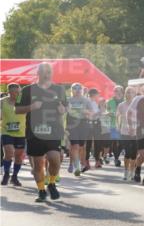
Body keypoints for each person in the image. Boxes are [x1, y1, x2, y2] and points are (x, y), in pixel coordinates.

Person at [15, 63, 67, 202]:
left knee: (55, 160)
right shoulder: (27, 90)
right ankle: (41, 190)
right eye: (43, 71)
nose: (46, 74)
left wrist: (63, 110)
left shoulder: (59, 89)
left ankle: (51, 183)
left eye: (49, 71)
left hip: (54, 131)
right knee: (38, 165)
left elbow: (65, 108)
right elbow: (17, 110)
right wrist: (31, 107)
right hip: (34, 132)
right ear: (38, 73)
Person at [1, 83, 27, 187]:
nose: (17, 94)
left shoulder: (23, 102)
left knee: (19, 156)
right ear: (9, 92)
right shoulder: (2, 102)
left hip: (21, 133)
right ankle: (6, 173)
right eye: (15, 92)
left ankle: (14, 177)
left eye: (19, 92)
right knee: (9, 152)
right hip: (6, 132)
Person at [65, 83, 90, 176]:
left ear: (82, 90)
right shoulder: (68, 100)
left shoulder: (86, 101)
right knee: (74, 146)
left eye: (79, 89)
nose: (78, 90)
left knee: (80, 147)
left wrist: (86, 111)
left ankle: (73, 163)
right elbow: (64, 111)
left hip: (83, 124)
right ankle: (77, 166)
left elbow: (91, 113)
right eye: (75, 88)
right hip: (72, 124)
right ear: (72, 90)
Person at [116, 86, 138, 181]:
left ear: (134, 94)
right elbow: (117, 117)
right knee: (128, 153)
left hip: (136, 132)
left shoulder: (137, 105)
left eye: (131, 92)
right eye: (128, 92)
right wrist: (118, 127)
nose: (129, 94)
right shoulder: (121, 105)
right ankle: (125, 172)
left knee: (134, 154)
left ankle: (132, 172)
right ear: (125, 94)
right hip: (124, 132)